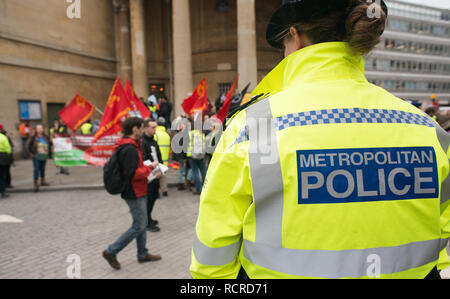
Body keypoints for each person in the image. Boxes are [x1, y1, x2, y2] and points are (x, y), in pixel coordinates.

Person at [191, 0, 450, 279]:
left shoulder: (256, 126)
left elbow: (213, 252)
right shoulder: (426, 128)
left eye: (284, 44)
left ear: (295, 36)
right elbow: (442, 228)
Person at [103, 117, 161, 270]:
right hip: (133, 191)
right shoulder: (129, 148)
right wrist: (151, 168)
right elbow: (133, 174)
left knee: (141, 223)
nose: (143, 130)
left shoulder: (132, 145)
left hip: (139, 188)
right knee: (139, 225)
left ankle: (142, 253)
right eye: (141, 128)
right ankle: (111, 251)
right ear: (135, 129)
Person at [142, 118, 163, 232]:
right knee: (149, 198)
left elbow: (157, 156)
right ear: (146, 128)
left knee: (154, 196)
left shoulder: (153, 140)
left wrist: (160, 168)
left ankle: (148, 218)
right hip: (149, 176)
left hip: (156, 174)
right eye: (153, 127)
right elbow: (145, 160)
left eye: (156, 127)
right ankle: (146, 222)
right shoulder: (143, 142)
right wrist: (155, 171)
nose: (155, 129)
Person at [26, 124, 51, 192]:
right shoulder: (33, 137)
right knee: (36, 169)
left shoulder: (46, 137)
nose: (40, 129)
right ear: (36, 130)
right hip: (36, 156)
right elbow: (27, 146)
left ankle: (43, 181)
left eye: (41, 128)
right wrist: (31, 154)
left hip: (44, 156)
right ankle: (36, 183)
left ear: (43, 129)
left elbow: (49, 144)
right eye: (38, 128)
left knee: (43, 168)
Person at [187, 117, 206, 195]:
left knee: (195, 172)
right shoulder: (202, 134)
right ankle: (206, 188)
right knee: (203, 171)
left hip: (192, 155)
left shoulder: (190, 134)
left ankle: (199, 189)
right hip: (201, 155)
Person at [155, 117, 171, 197]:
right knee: (163, 175)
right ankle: (165, 190)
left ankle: (157, 191)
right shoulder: (166, 135)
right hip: (165, 159)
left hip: (157, 159)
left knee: (156, 176)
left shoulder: (156, 134)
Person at [0, 124, 13, 199]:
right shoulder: (3, 137)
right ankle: (3, 191)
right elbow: (8, 149)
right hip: (3, 158)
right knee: (2, 175)